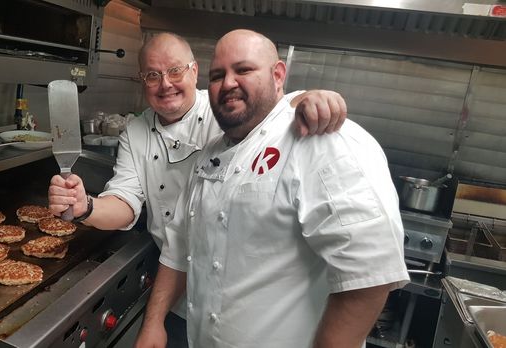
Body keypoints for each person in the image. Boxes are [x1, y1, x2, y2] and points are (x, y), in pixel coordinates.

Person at [47, 32, 348, 348]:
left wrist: (310, 97)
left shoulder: (224, 109)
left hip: (238, 299)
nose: (165, 84)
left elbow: (271, 109)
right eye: (152, 75)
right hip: (172, 286)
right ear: (141, 81)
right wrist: (87, 207)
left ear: (194, 71)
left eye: (175, 71)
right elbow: (125, 200)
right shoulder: (135, 130)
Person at [146, 29, 410, 348]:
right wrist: (154, 323)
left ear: (278, 74)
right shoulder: (209, 153)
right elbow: (179, 244)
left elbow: (368, 276)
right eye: (218, 75)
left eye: (243, 70)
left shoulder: (321, 138)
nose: (228, 83)